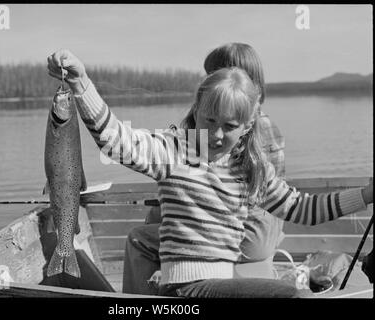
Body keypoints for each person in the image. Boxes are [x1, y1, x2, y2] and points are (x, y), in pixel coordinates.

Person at [47, 49, 373, 298]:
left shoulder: (252, 169)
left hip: (220, 280)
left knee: (293, 295)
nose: (216, 135)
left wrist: (367, 195)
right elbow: (117, 140)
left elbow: (304, 208)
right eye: (209, 121)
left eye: (230, 127)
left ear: (247, 128)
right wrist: (80, 84)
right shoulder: (177, 150)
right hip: (186, 288)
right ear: (197, 111)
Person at [123, 43, 287, 295]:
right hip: (269, 231)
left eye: (211, 75)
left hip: (246, 236)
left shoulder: (238, 132)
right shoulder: (261, 124)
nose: (207, 82)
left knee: (139, 237)